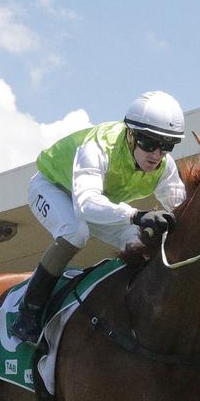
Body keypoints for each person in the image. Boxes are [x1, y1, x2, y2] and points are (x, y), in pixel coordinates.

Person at [12, 91, 186, 341]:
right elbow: (85, 205)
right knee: (76, 231)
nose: (157, 154)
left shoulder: (164, 167)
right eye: (149, 143)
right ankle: (28, 312)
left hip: (98, 200)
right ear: (130, 134)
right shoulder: (98, 147)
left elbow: (182, 210)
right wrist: (137, 215)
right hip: (52, 187)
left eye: (167, 146)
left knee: (143, 244)